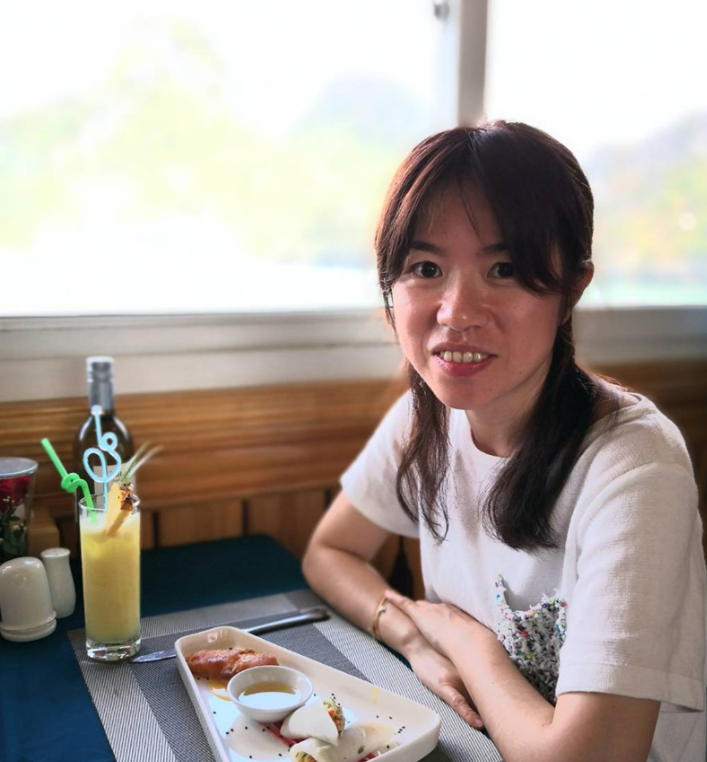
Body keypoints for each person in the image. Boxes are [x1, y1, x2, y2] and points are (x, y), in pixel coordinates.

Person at [302, 121, 706, 762]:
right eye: (426, 268)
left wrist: (468, 644)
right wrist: (413, 638)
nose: (457, 311)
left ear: (572, 289)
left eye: (505, 269)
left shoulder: (636, 467)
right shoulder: (424, 419)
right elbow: (331, 551)